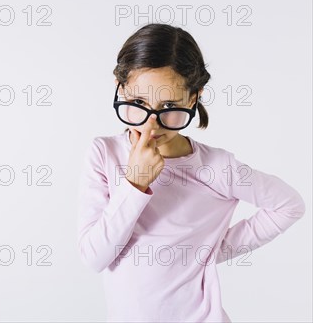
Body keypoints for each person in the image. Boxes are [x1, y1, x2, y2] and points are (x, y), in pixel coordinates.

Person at [76, 23, 306, 322]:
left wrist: (209, 250)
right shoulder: (103, 154)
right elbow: (94, 257)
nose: (151, 124)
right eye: (138, 103)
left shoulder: (217, 168)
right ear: (120, 88)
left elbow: (289, 205)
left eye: (169, 105)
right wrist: (135, 183)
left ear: (193, 98)